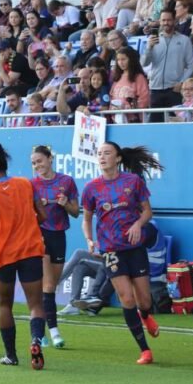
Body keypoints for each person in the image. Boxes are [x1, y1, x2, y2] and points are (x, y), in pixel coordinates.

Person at [81, 143, 164, 365]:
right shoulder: (91, 188)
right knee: (126, 297)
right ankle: (145, 350)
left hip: (134, 247)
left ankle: (145, 315)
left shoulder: (132, 182)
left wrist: (138, 225)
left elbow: (147, 211)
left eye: (107, 153)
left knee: (144, 300)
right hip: (111, 249)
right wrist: (90, 240)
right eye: (99, 154)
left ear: (118, 158)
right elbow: (87, 219)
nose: (102, 157)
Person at [0, 143, 47, 369]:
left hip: (3, 253)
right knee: (35, 304)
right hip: (30, 250)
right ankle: (36, 340)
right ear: (6, 165)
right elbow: (43, 216)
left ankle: (11, 355)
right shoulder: (26, 184)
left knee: (5, 305)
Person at [29, 145, 78, 349]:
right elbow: (26, 214)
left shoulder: (66, 181)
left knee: (50, 287)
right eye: (33, 163)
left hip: (59, 235)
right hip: (39, 236)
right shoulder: (31, 185)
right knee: (48, 285)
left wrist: (65, 203)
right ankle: (54, 332)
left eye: (39, 161)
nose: (37, 166)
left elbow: (75, 212)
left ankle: (40, 328)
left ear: (50, 158)